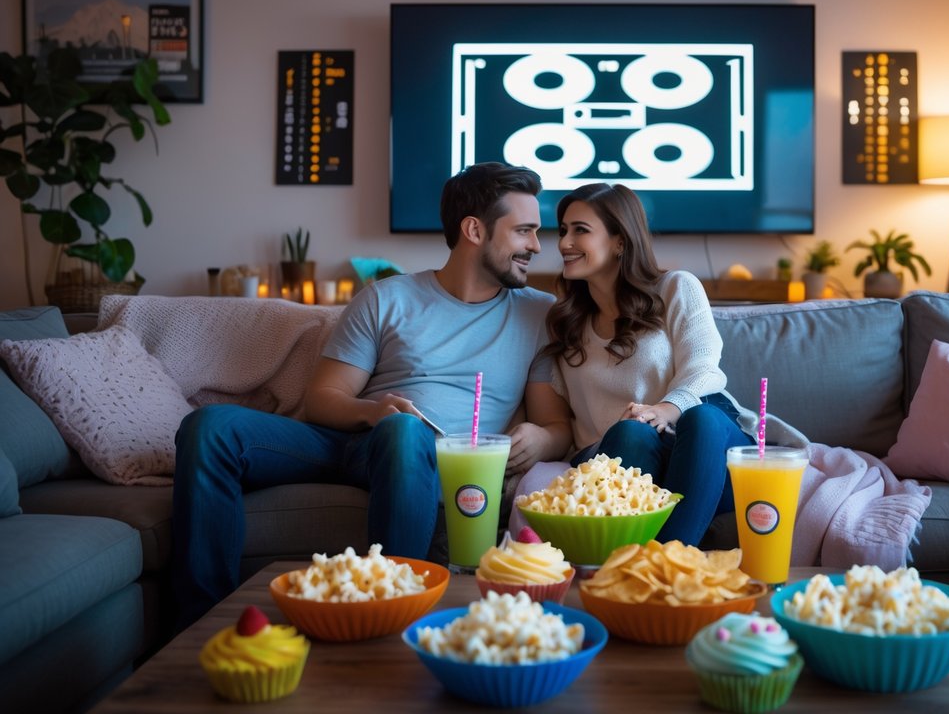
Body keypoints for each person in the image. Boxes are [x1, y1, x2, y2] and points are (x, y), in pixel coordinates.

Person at [171, 162, 570, 625]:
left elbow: (556, 426)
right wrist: (373, 412)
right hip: (351, 441)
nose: (536, 246)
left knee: (405, 434)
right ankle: (198, 621)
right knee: (209, 427)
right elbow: (323, 397)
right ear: (474, 230)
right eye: (523, 231)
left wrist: (541, 440)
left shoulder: (537, 315)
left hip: (430, 456)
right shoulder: (387, 298)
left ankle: (394, 609)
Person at [539, 182, 755, 545]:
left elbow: (704, 366)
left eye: (581, 231)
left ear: (620, 241)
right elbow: (565, 425)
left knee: (701, 417)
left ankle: (670, 560)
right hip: (632, 456)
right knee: (630, 433)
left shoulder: (675, 288)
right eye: (563, 230)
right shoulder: (565, 324)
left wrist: (668, 408)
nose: (564, 243)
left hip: (705, 451)